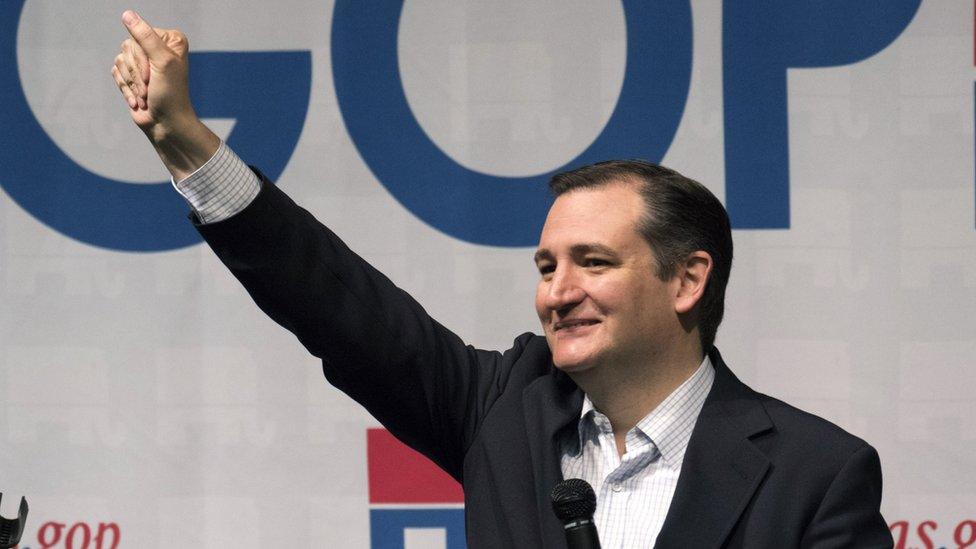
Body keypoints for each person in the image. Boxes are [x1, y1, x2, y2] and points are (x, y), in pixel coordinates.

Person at [111, 11, 894, 548]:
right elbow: (336, 302)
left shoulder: (815, 473)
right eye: (548, 266)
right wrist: (188, 147)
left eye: (594, 261)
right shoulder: (504, 410)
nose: (557, 291)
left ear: (688, 280)